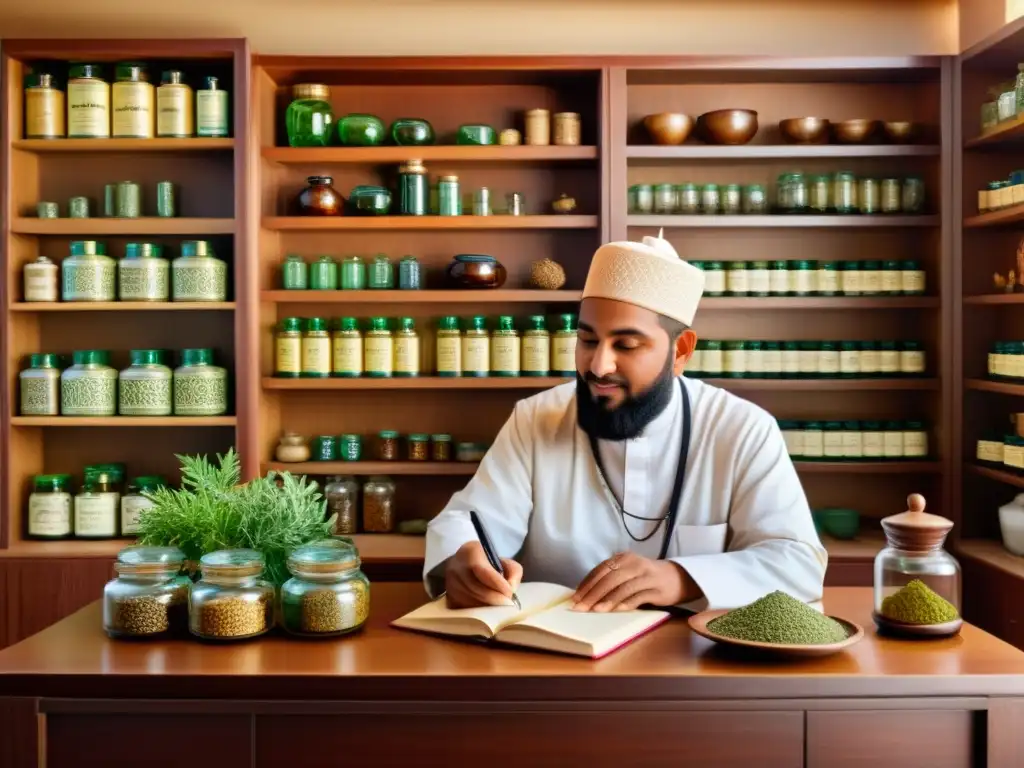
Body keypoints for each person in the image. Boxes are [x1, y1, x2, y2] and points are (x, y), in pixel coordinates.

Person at [423, 232, 827, 613]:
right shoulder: (535, 418)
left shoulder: (742, 429)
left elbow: (797, 562)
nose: (598, 366)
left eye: (626, 345)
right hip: (550, 656)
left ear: (681, 351)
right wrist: (463, 560)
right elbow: (470, 521)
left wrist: (681, 578)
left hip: (690, 661)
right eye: (587, 340)